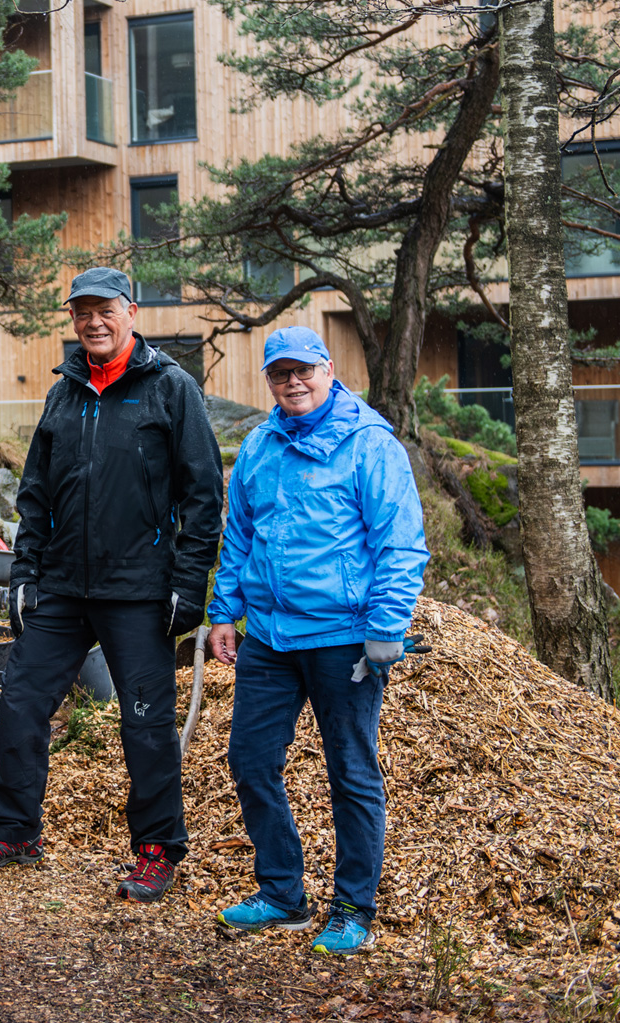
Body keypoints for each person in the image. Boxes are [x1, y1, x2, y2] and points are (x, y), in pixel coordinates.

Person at [0, 267, 222, 902]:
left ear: (130, 312)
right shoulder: (65, 392)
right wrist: (24, 574)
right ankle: (16, 832)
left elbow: (204, 497)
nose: (92, 323)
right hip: (63, 590)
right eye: (81, 313)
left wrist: (188, 584)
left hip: (140, 592)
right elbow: (36, 495)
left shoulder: (170, 390)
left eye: (104, 310)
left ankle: (157, 850)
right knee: (20, 704)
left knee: (146, 721)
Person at [207, 326, 428, 956]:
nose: (293, 382)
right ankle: (281, 892)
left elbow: (400, 544)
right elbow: (240, 537)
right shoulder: (258, 446)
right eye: (281, 374)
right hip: (270, 639)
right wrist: (226, 612)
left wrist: (387, 627)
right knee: (250, 762)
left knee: (351, 771)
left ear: (328, 370)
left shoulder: (369, 445)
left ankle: (354, 905)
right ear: (269, 381)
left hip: (344, 639)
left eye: (304, 370)